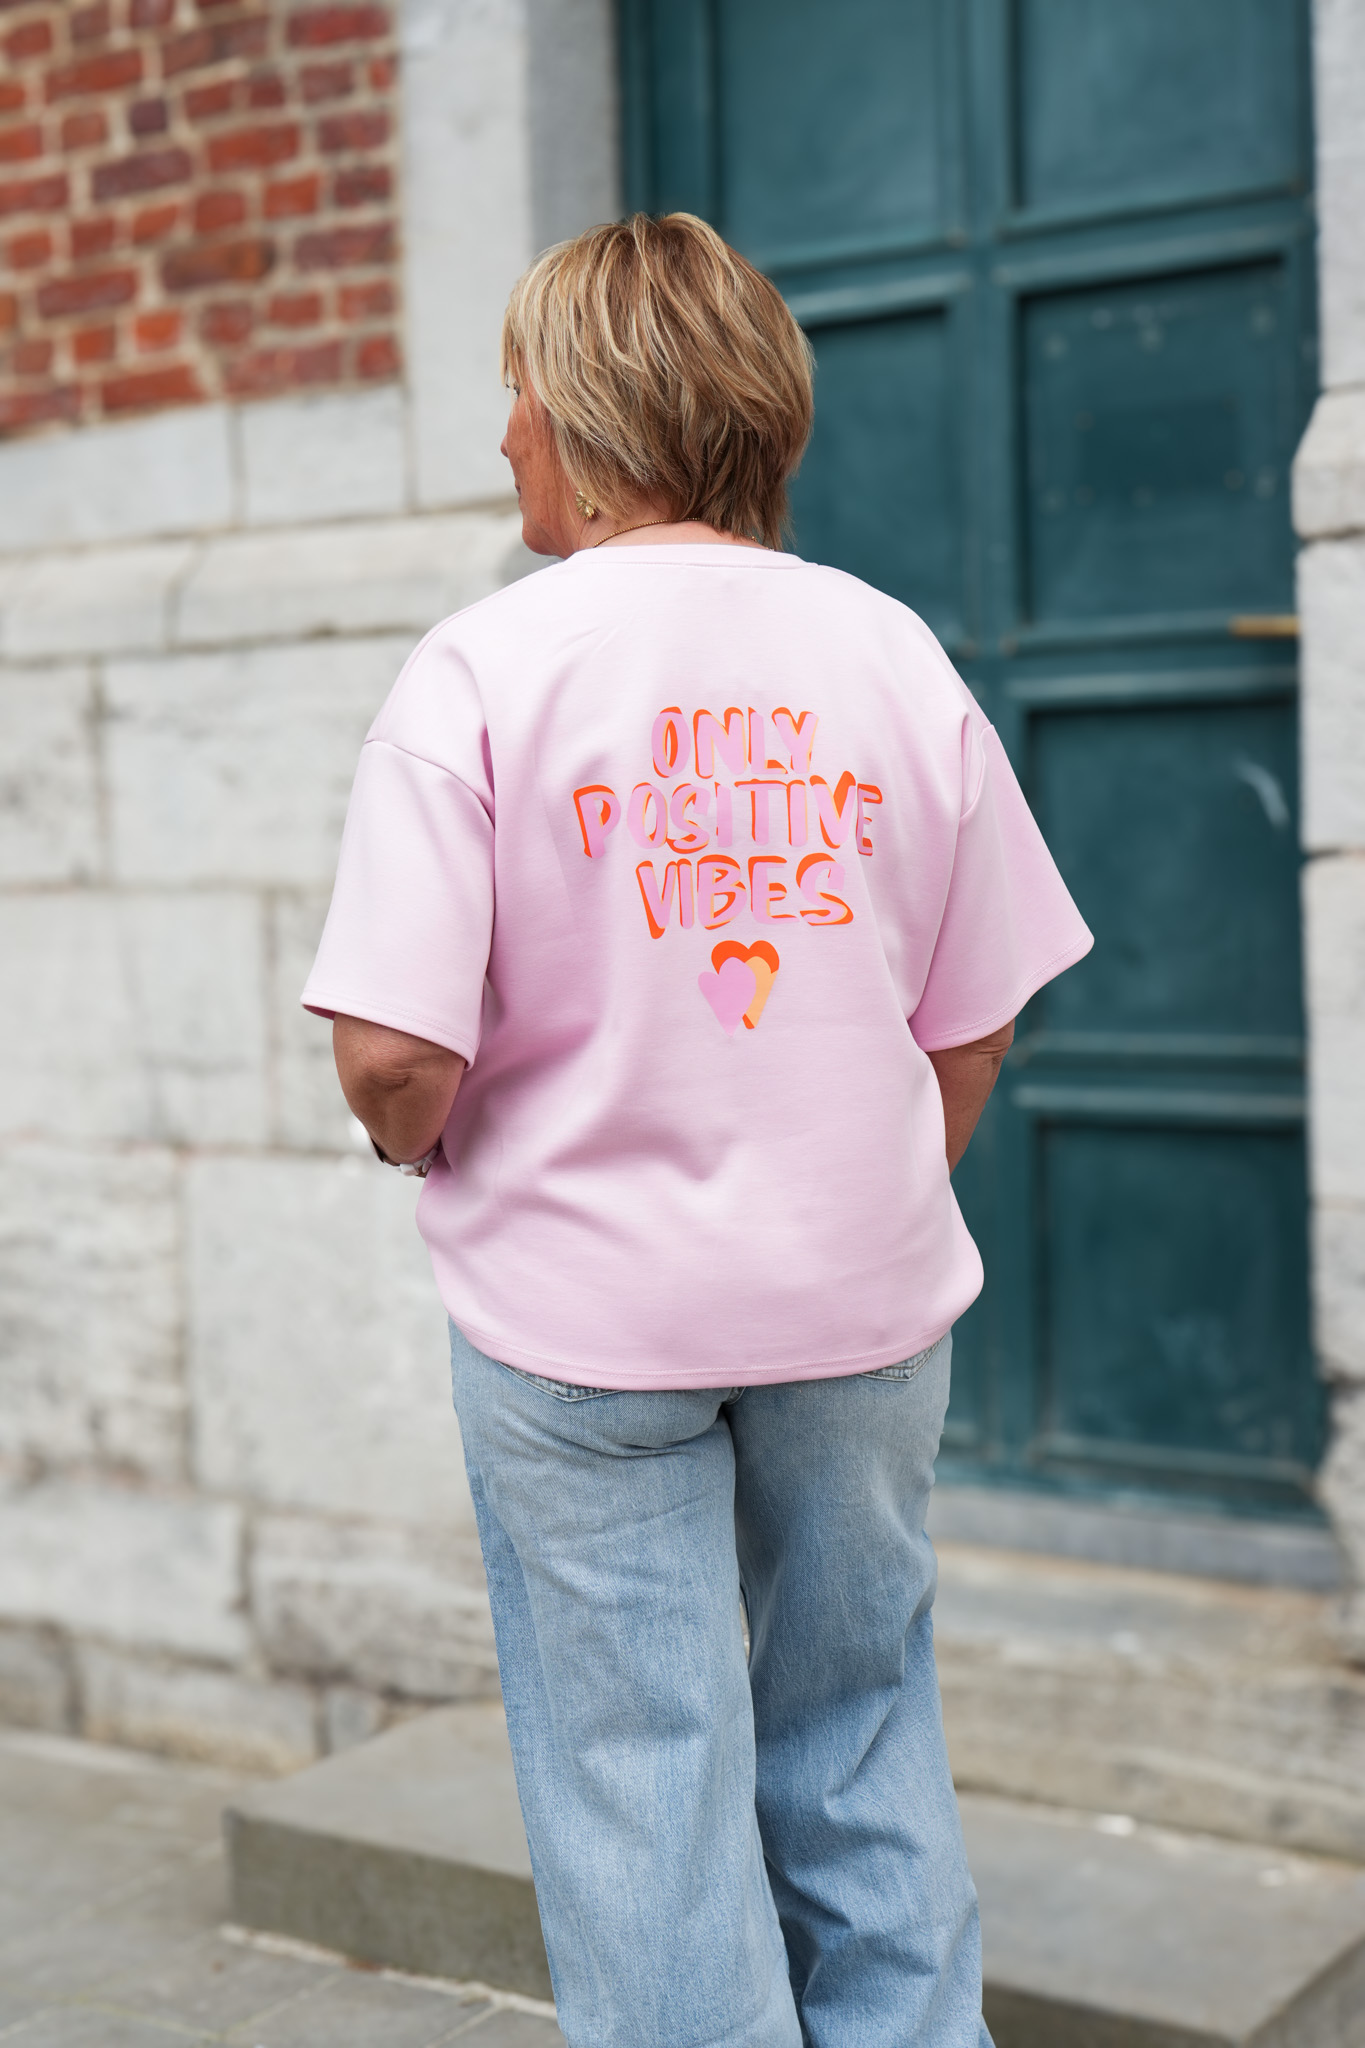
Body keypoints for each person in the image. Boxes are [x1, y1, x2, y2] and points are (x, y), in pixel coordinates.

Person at [303, 212, 1092, 2048]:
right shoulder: (890, 653)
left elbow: (392, 1054)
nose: (502, 428)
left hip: (583, 1321)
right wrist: (857, 1186)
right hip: (860, 1311)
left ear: (589, 415)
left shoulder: (479, 672)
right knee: (864, 1728)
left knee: (641, 1785)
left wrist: (427, 1150)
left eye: (518, 387)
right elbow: (975, 1017)